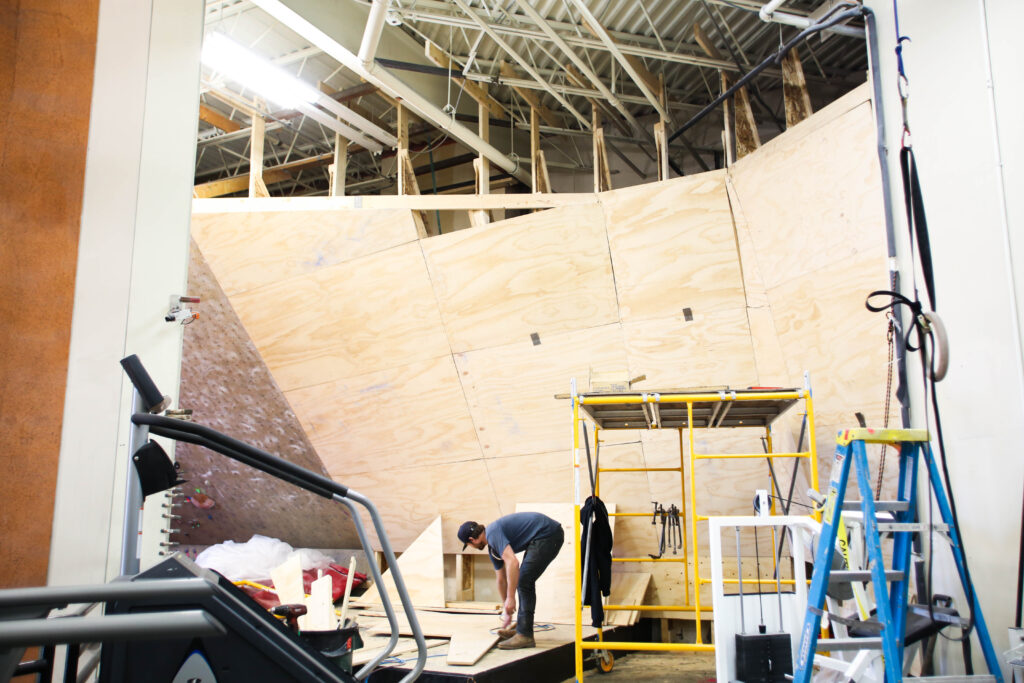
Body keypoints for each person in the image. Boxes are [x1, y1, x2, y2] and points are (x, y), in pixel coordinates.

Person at [458, 512, 564, 650]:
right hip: (541, 536)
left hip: (548, 534)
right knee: (523, 580)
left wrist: (510, 598)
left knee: (524, 581)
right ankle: (522, 629)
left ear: (472, 540)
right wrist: (506, 608)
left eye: (468, 544)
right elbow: (501, 579)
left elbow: (513, 563)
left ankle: (525, 635)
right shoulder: (493, 549)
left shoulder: (492, 533)